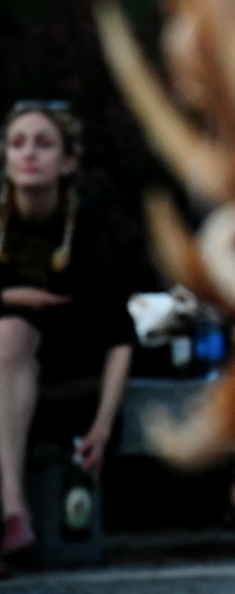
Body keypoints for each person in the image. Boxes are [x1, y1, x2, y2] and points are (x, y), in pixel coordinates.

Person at [0, 102, 137, 567]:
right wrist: (14, 297)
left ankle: (11, 511)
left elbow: (121, 336)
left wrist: (101, 424)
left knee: (12, 335)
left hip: (68, 387)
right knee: (12, 332)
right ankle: (11, 508)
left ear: (68, 160)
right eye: (17, 143)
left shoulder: (89, 229)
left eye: (43, 143)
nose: (29, 154)